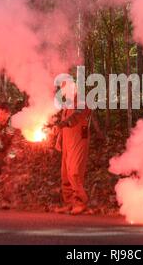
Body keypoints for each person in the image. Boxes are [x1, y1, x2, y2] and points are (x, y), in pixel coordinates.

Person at [53, 83, 104, 215]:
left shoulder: (83, 100)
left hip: (79, 141)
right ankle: (69, 203)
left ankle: (80, 202)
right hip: (67, 142)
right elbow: (63, 123)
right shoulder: (66, 105)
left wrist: (62, 124)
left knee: (74, 171)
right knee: (65, 173)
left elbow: (76, 117)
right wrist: (59, 139)